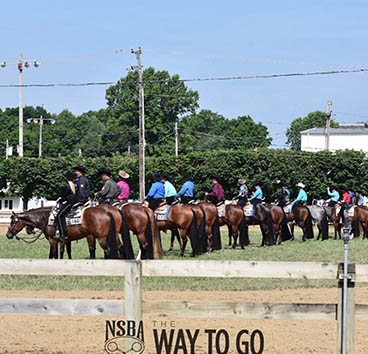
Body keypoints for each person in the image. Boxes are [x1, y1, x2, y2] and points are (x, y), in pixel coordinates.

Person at [55, 171, 79, 242]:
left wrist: (60, 199)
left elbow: (65, 196)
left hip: (69, 203)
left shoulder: (67, 186)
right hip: (74, 202)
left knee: (59, 216)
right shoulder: (75, 185)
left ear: (66, 178)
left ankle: (63, 234)